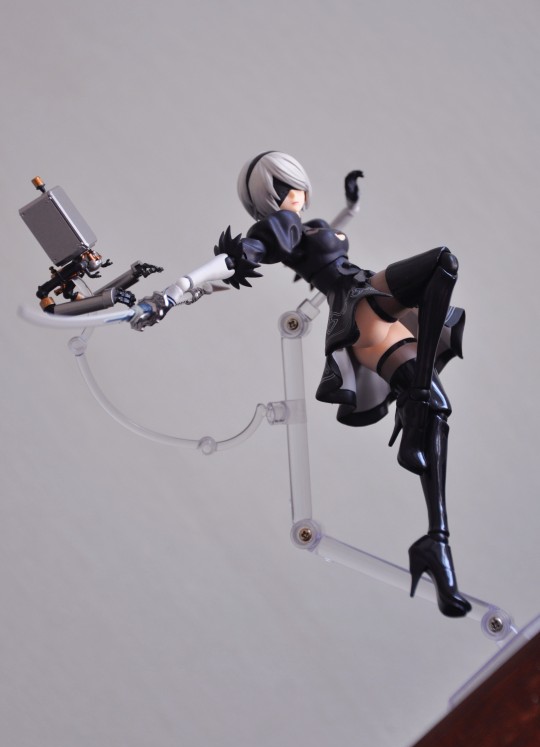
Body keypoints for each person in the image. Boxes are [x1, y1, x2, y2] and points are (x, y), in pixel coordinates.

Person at [136, 151, 472, 618]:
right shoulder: (280, 226)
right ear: (274, 190)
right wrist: (173, 292)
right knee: (442, 263)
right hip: (359, 303)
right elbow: (234, 258)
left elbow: (321, 238)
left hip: (374, 309)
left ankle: (436, 542)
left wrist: (351, 206)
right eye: (292, 184)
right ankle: (412, 405)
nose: (302, 190)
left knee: (438, 406)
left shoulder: (303, 227)